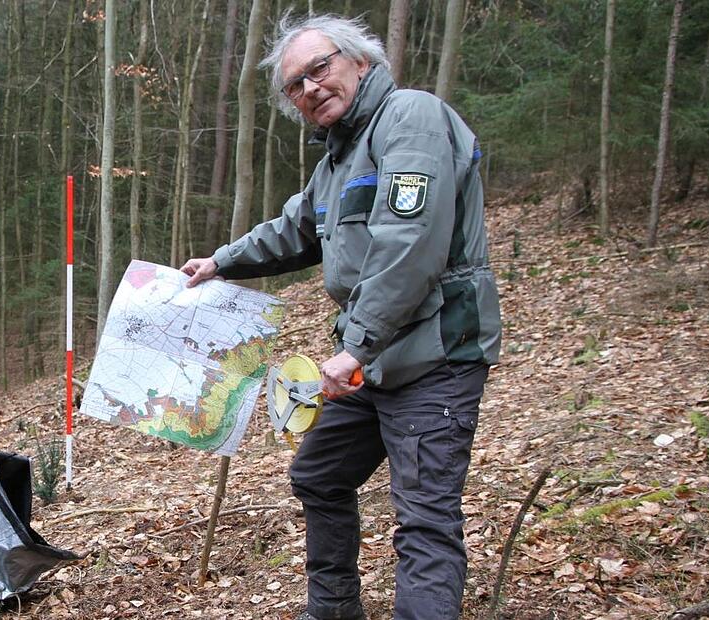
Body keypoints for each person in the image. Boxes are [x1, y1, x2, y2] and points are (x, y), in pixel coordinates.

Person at [181, 14, 501, 620]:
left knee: (424, 520)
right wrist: (220, 263)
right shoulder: (336, 161)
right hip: (374, 362)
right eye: (295, 85)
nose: (310, 88)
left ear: (361, 61)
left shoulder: (410, 118)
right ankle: (332, 611)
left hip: (434, 356)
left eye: (319, 68)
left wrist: (356, 346)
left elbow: (412, 243)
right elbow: (296, 229)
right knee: (320, 475)